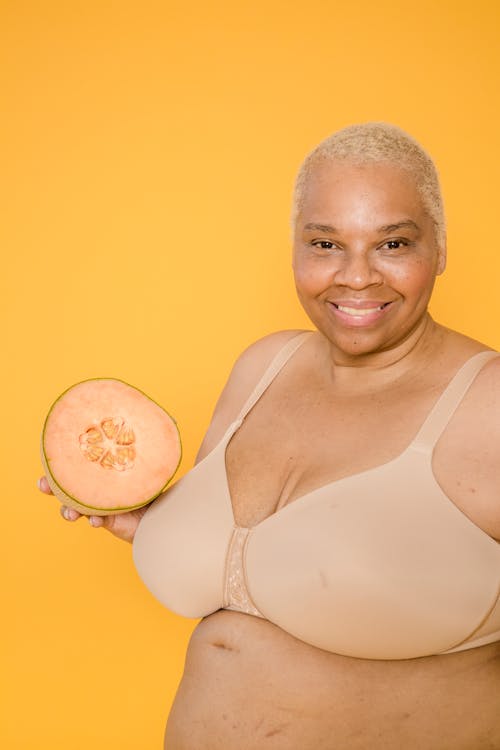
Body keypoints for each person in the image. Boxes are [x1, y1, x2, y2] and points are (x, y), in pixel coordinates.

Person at [39, 122, 500, 750]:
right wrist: (149, 526)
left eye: (392, 243)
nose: (356, 276)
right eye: (325, 243)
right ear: (295, 249)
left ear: (440, 250)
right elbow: (264, 569)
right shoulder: (265, 366)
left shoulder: (488, 403)